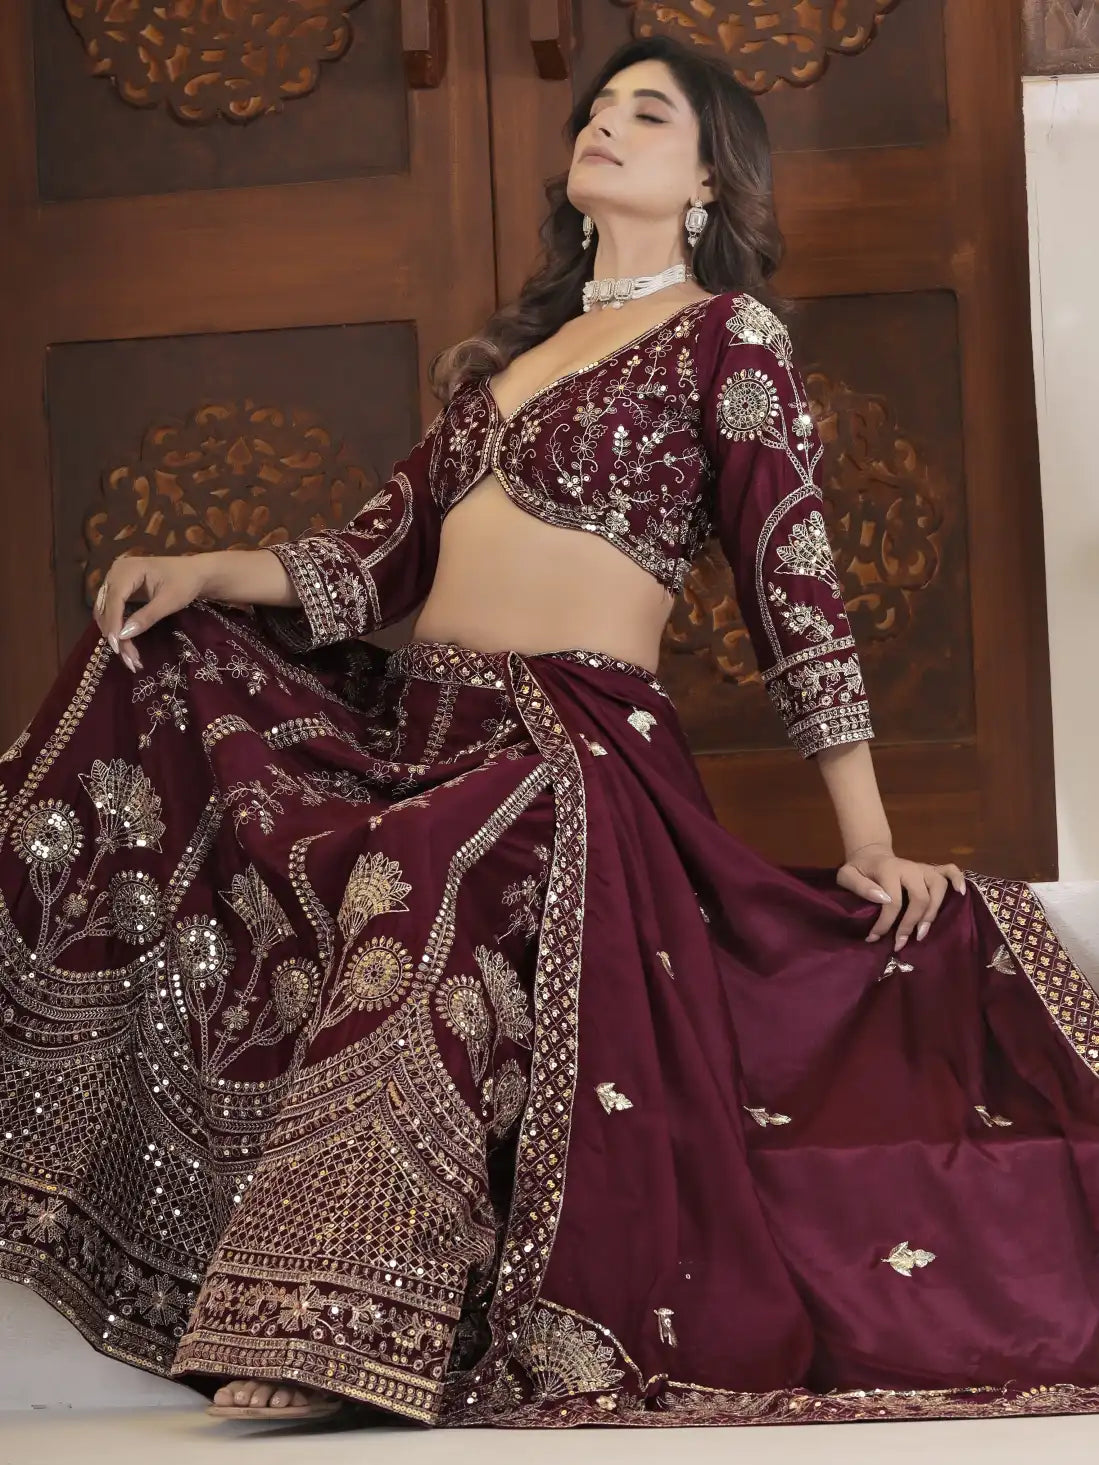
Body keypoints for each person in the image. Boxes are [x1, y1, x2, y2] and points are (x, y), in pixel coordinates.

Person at [2, 34, 1098, 1432]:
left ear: (709, 179)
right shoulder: (506, 371)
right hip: (425, 728)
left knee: (431, 872)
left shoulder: (724, 337)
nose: (607, 124)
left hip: (571, 749)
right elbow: (365, 561)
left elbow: (796, 589)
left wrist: (869, 841)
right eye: (598, 109)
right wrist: (199, 567)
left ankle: (337, 1317)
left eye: (652, 113)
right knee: (161, 663)